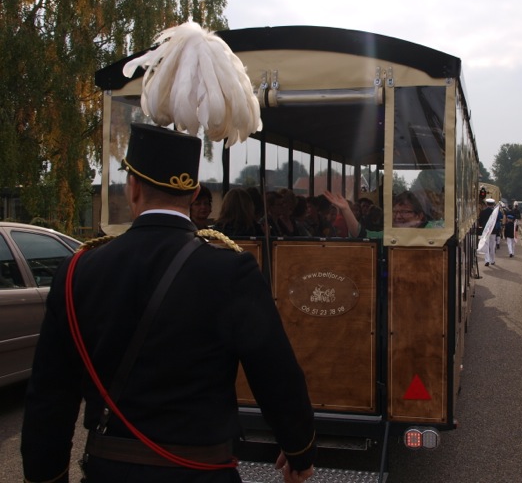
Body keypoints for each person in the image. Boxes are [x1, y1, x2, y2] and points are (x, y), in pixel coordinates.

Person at [21, 123, 316, 483]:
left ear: (133, 189)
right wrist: (298, 448)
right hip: (202, 471)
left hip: (108, 472)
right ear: (193, 194)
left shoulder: (77, 271)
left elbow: (50, 396)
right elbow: (275, 373)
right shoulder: (230, 270)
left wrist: (47, 476)